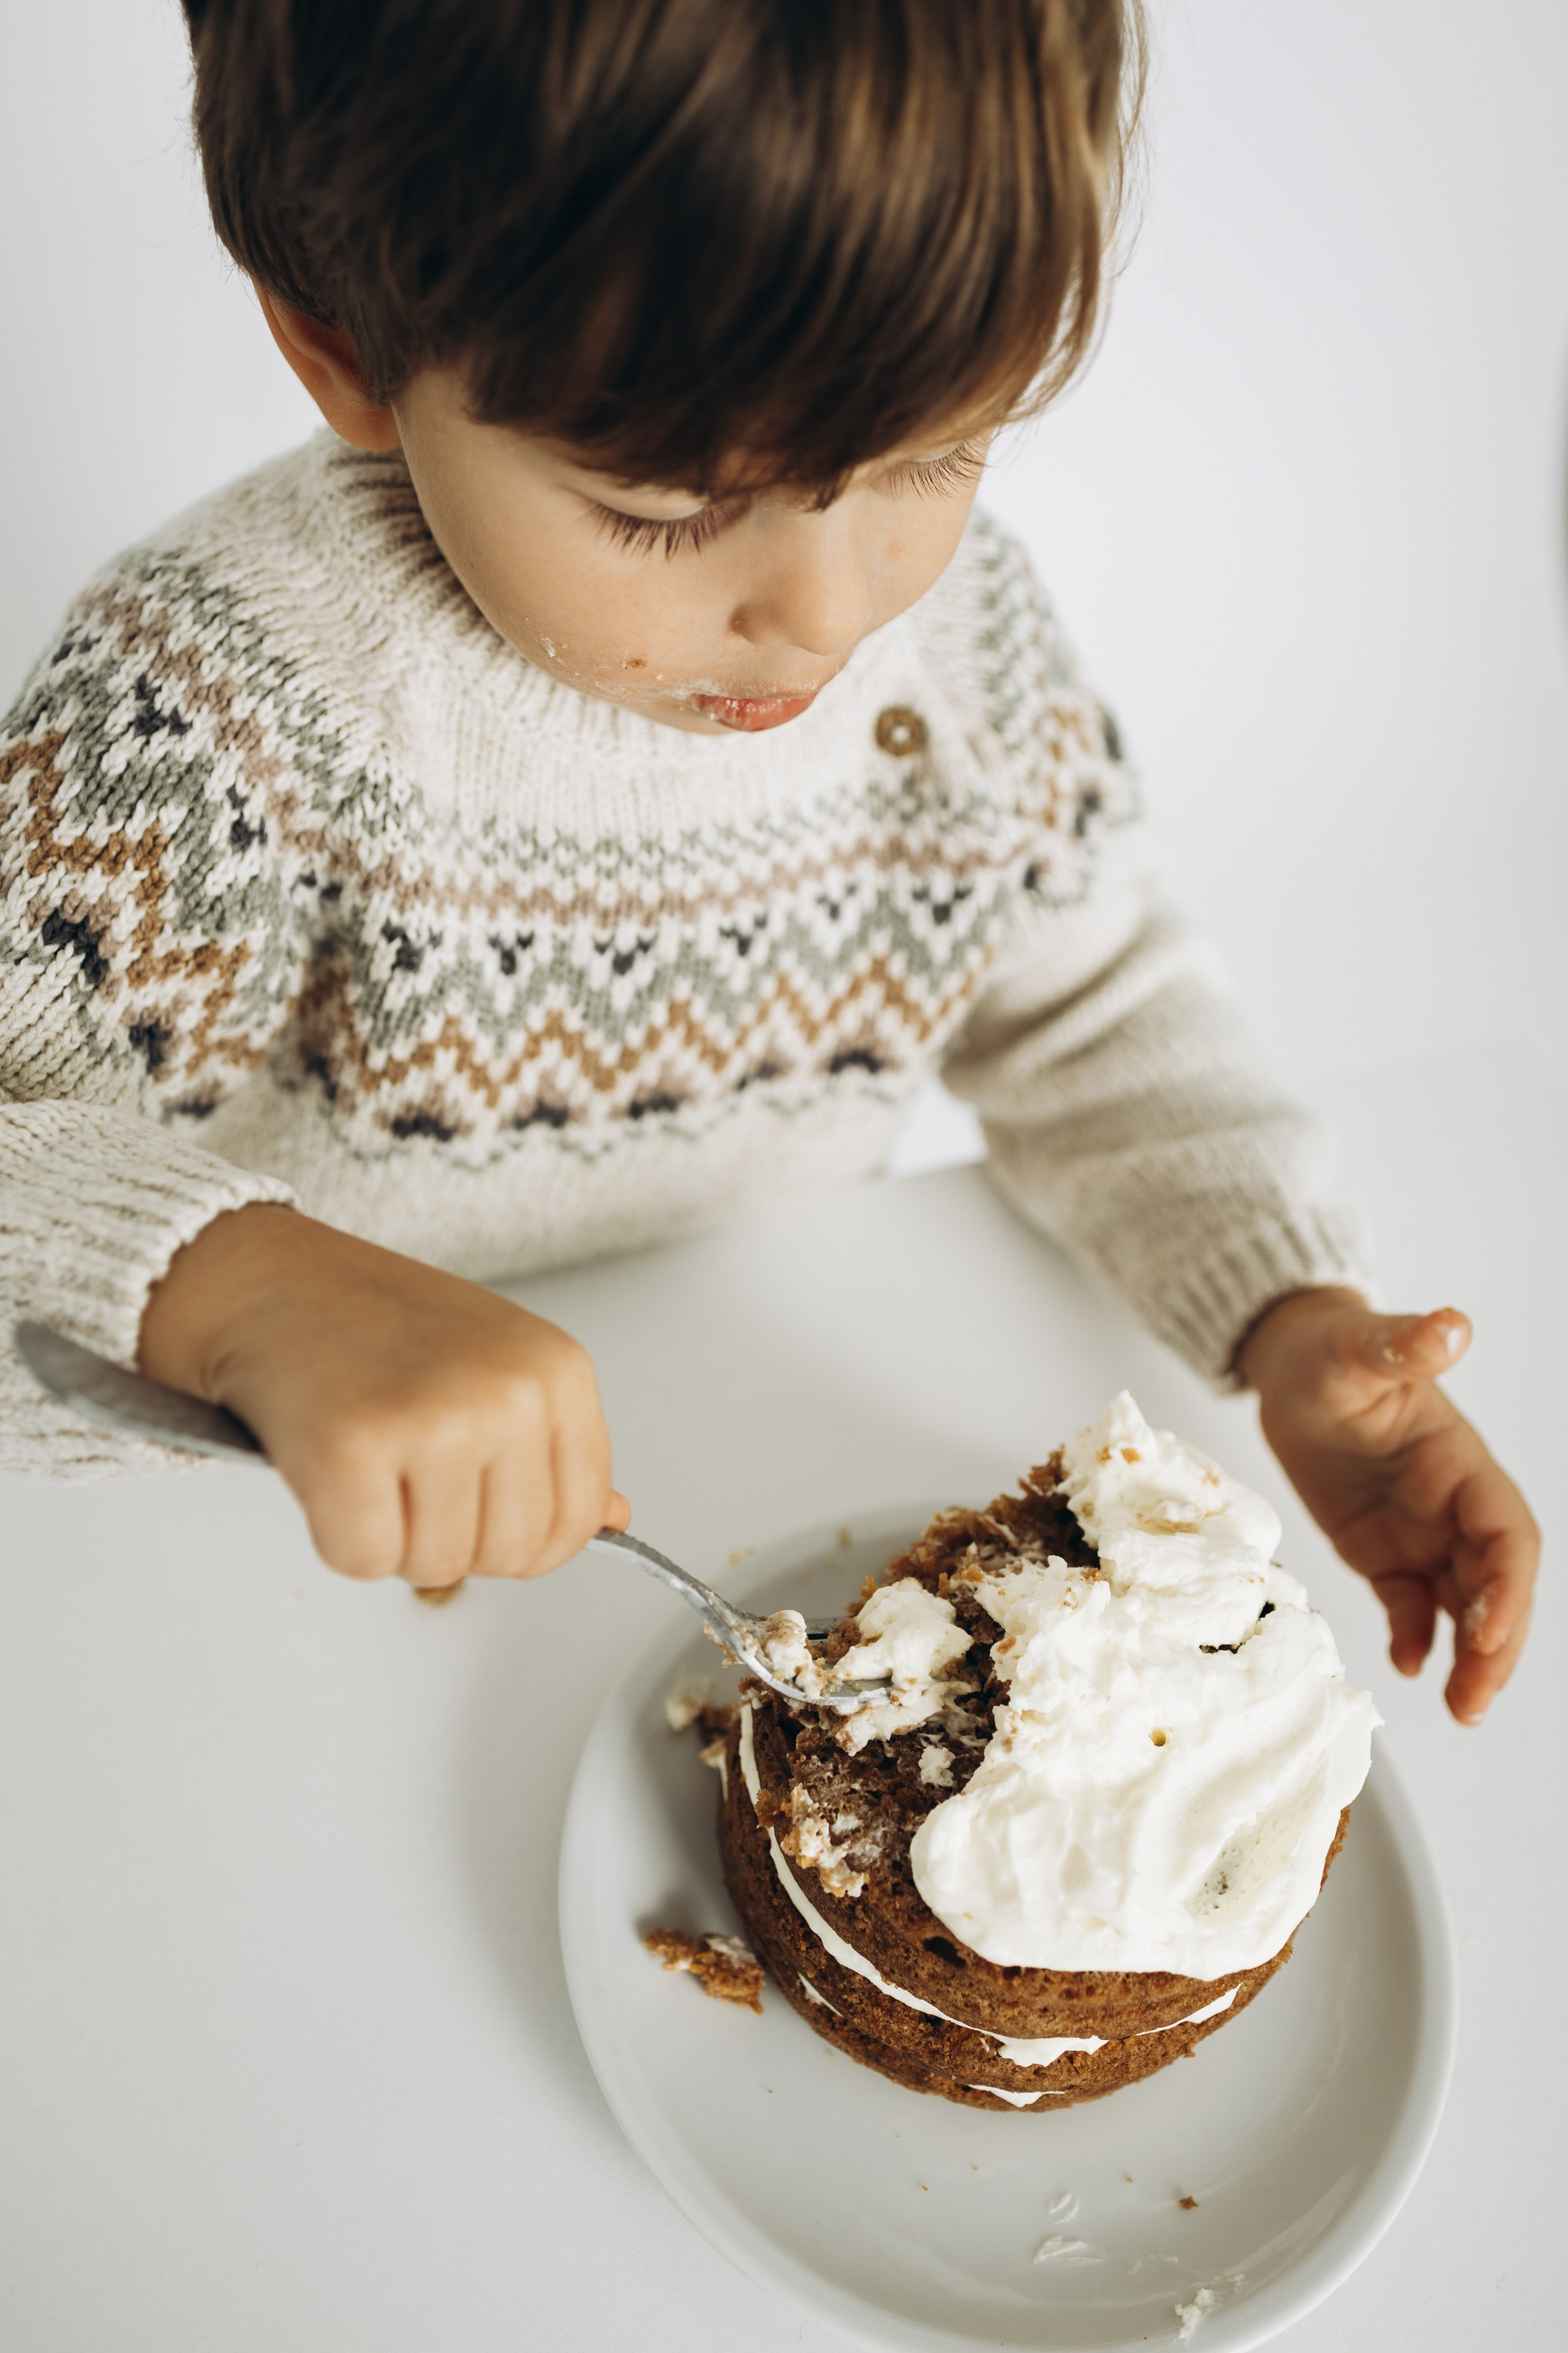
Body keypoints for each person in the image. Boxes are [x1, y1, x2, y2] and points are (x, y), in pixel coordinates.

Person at [0, 0, 1536, 1721]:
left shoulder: (960, 645)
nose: (829, 615)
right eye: (666, 509)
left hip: (744, 1466)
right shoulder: (226, 698)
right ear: (345, 342)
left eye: (941, 455)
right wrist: (229, 1289)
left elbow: (1096, 1008)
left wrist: (1293, 1313)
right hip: (298, 1566)